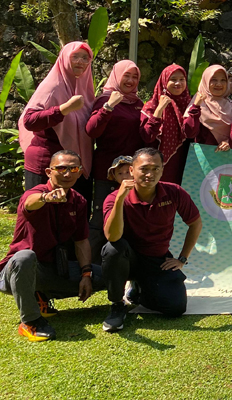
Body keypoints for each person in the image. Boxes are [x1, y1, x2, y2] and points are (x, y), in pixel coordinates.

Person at [0, 150, 104, 342]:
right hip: (16, 272)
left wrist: (86, 274)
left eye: (73, 169)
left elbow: (81, 241)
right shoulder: (35, 193)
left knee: (106, 276)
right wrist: (45, 198)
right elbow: (29, 203)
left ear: (80, 172)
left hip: (52, 268)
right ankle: (30, 321)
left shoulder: (78, 201)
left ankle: (40, 295)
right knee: (25, 257)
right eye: (61, 168)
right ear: (49, 172)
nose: (67, 174)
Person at [100, 147, 202, 332]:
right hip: (128, 260)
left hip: (157, 260)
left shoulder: (174, 192)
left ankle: (139, 291)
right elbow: (112, 236)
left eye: (156, 168)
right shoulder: (114, 198)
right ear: (132, 170)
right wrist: (120, 200)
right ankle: (117, 305)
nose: (150, 174)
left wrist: (182, 259)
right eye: (144, 168)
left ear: (162, 170)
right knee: (112, 248)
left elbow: (195, 224)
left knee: (176, 307)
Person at [18, 41, 95, 203]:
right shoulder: (53, 86)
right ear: (65, 58)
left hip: (75, 166)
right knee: (43, 212)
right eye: (75, 56)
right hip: (47, 166)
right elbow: (30, 121)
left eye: (85, 58)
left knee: (75, 212)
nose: (80, 62)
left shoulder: (84, 86)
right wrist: (64, 109)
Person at [86, 60, 146, 262]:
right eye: (126, 75)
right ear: (116, 75)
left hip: (131, 172)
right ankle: (91, 265)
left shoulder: (138, 103)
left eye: (135, 77)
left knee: (129, 216)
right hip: (108, 171)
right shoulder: (105, 99)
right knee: (101, 218)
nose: (130, 80)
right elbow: (92, 130)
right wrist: (109, 106)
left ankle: (121, 262)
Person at [140, 64, 203, 185]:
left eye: (182, 79)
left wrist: (195, 107)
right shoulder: (152, 106)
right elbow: (147, 136)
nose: (178, 83)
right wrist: (159, 110)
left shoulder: (189, 104)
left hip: (183, 165)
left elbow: (191, 133)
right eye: (173, 79)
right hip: (155, 166)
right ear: (164, 82)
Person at [189, 65, 232, 152]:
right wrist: (196, 107)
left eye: (223, 80)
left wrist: (230, 142)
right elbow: (189, 132)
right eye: (214, 80)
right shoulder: (198, 103)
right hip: (201, 157)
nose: (219, 84)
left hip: (228, 158)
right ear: (206, 81)